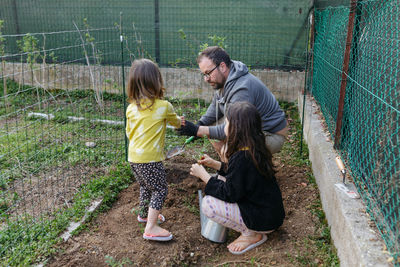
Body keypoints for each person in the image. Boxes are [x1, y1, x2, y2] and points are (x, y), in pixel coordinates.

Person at [190, 102, 285, 255]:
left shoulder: (242, 158)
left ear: (236, 128)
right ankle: (252, 229)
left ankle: (252, 234)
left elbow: (230, 193)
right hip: (271, 215)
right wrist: (216, 165)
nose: (224, 125)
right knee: (221, 178)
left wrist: (205, 176)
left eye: (226, 122)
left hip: (262, 221)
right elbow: (240, 177)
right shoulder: (255, 148)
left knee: (208, 204)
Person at [178, 46, 288, 154]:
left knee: (233, 139)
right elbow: (216, 105)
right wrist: (200, 124)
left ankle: (239, 169)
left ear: (222, 66)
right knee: (210, 127)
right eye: (204, 75)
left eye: (208, 73)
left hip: (270, 135)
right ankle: (227, 168)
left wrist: (197, 130)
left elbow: (233, 130)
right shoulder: (226, 78)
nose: (206, 79)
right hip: (253, 129)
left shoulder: (242, 89)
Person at [126, 58, 184, 242]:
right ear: (157, 81)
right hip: (151, 160)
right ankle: (151, 228)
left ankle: (144, 215)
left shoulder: (130, 108)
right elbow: (176, 123)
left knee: (145, 186)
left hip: (133, 157)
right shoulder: (164, 106)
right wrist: (180, 121)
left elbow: (129, 132)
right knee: (160, 190)